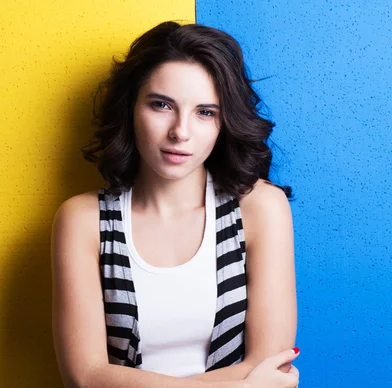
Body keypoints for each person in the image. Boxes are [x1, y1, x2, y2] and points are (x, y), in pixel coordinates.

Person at [51, 21, 299, 388]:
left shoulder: (261, 208)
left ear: (224, 122)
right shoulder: (83, 220)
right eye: (161, 105)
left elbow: (269, 361)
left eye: (205, 112)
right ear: (131, 108)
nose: (180, 132)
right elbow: (85, 376)